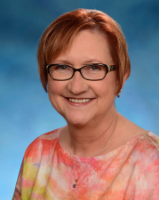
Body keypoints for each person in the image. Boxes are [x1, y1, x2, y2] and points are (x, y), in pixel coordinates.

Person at [13, 8, 159, 200]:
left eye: (94, 68)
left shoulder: (151, 163)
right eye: (62, 67)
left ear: (121, 78)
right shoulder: (38, 153)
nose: (76, 87)